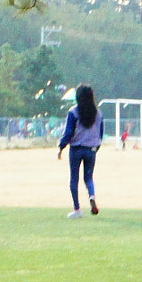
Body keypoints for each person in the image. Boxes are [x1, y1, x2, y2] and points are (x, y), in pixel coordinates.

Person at [58, 85, 103, 217]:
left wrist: (61, 147)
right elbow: (100, 133)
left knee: (74, 179)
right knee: (88, 178)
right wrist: (96, 147)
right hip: (92, 149)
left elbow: (68, 133)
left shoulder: (74, 112)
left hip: (76, 149)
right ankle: (92, 196)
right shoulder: (98, 113)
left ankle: (77, 209)